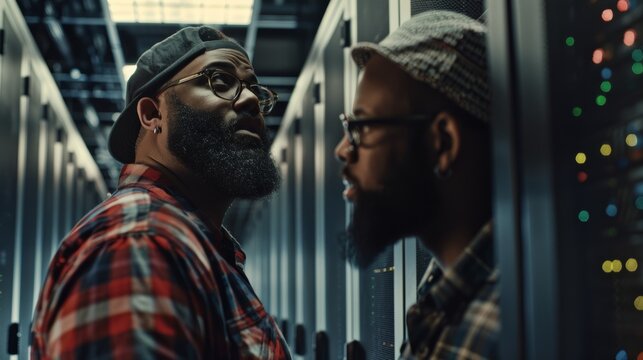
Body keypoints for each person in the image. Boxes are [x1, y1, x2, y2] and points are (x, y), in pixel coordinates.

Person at [31, 26, 290, 359]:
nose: (252, 99)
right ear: (153, 114)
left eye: (255, 89)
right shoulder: (141, 242)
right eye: (220, 81)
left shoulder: (194, 245)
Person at [334, 10, 498, 359]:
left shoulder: (498, 327)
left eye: (361, 127)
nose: (343, 150)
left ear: (442, 143)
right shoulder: (442, 295)